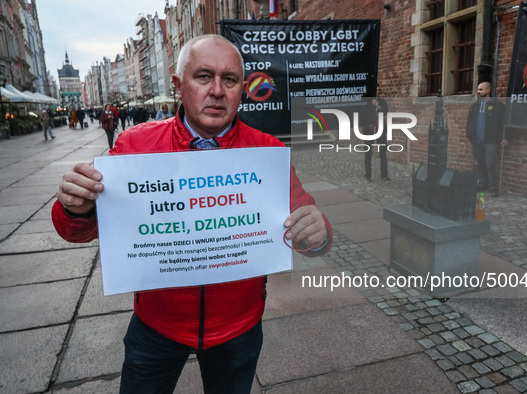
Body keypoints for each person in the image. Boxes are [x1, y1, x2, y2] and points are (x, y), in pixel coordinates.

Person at [52, 34, 332, 394]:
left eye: (229, 80)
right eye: (203, 76)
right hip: (157, 325)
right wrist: (76, 208)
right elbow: (75, 232)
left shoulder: (268, 152)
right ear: (178, 85)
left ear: (242, 89)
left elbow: (311, 228)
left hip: (238, 327)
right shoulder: (134, 146)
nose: (217, 90)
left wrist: (318, 233)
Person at [465, 81, 507, 197]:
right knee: (480, 164)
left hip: (491, 141)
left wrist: (507, 137)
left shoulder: (498, 106)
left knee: (491, 165)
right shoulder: (475, 106)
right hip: (476, 141)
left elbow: (505, 122)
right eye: (478, 89)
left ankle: (494, 188)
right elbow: (470, 122)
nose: (478, 92)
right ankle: (483, 184)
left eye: (481, 89)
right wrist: (470, 135)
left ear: (488, 91)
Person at [363, 98, 390, 182]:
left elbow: (386, 111)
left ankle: (384, 176)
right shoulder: (366, 101)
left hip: (380, 130)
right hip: (368, 130)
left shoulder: (382, 101)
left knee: (383, 153)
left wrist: (378, 107)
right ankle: (368, 175)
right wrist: (372, 107)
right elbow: (362, 112)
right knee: (368, 152)